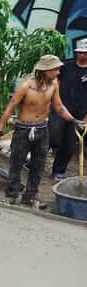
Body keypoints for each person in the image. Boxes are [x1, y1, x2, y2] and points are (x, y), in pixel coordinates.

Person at [0, 55, 84, 209]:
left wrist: (74, 120)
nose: (58, 72)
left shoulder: (54, 85)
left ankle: (31, 196)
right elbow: (10, 108)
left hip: (42, 129)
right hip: (23, 129)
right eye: (55, 69)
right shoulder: (26, 86)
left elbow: (59, 106)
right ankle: (12, 194)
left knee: (38, 165)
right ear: (46, 70)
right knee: (16, 163)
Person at [50, 37, 87, 182]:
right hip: (60, 109)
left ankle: (58, 171)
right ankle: (33, 164)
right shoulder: (66, 67)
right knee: (51, 137)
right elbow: (56, 84)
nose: (82, 54)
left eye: (85, 52)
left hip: (79, 114)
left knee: (69, 144)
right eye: (80, 52)